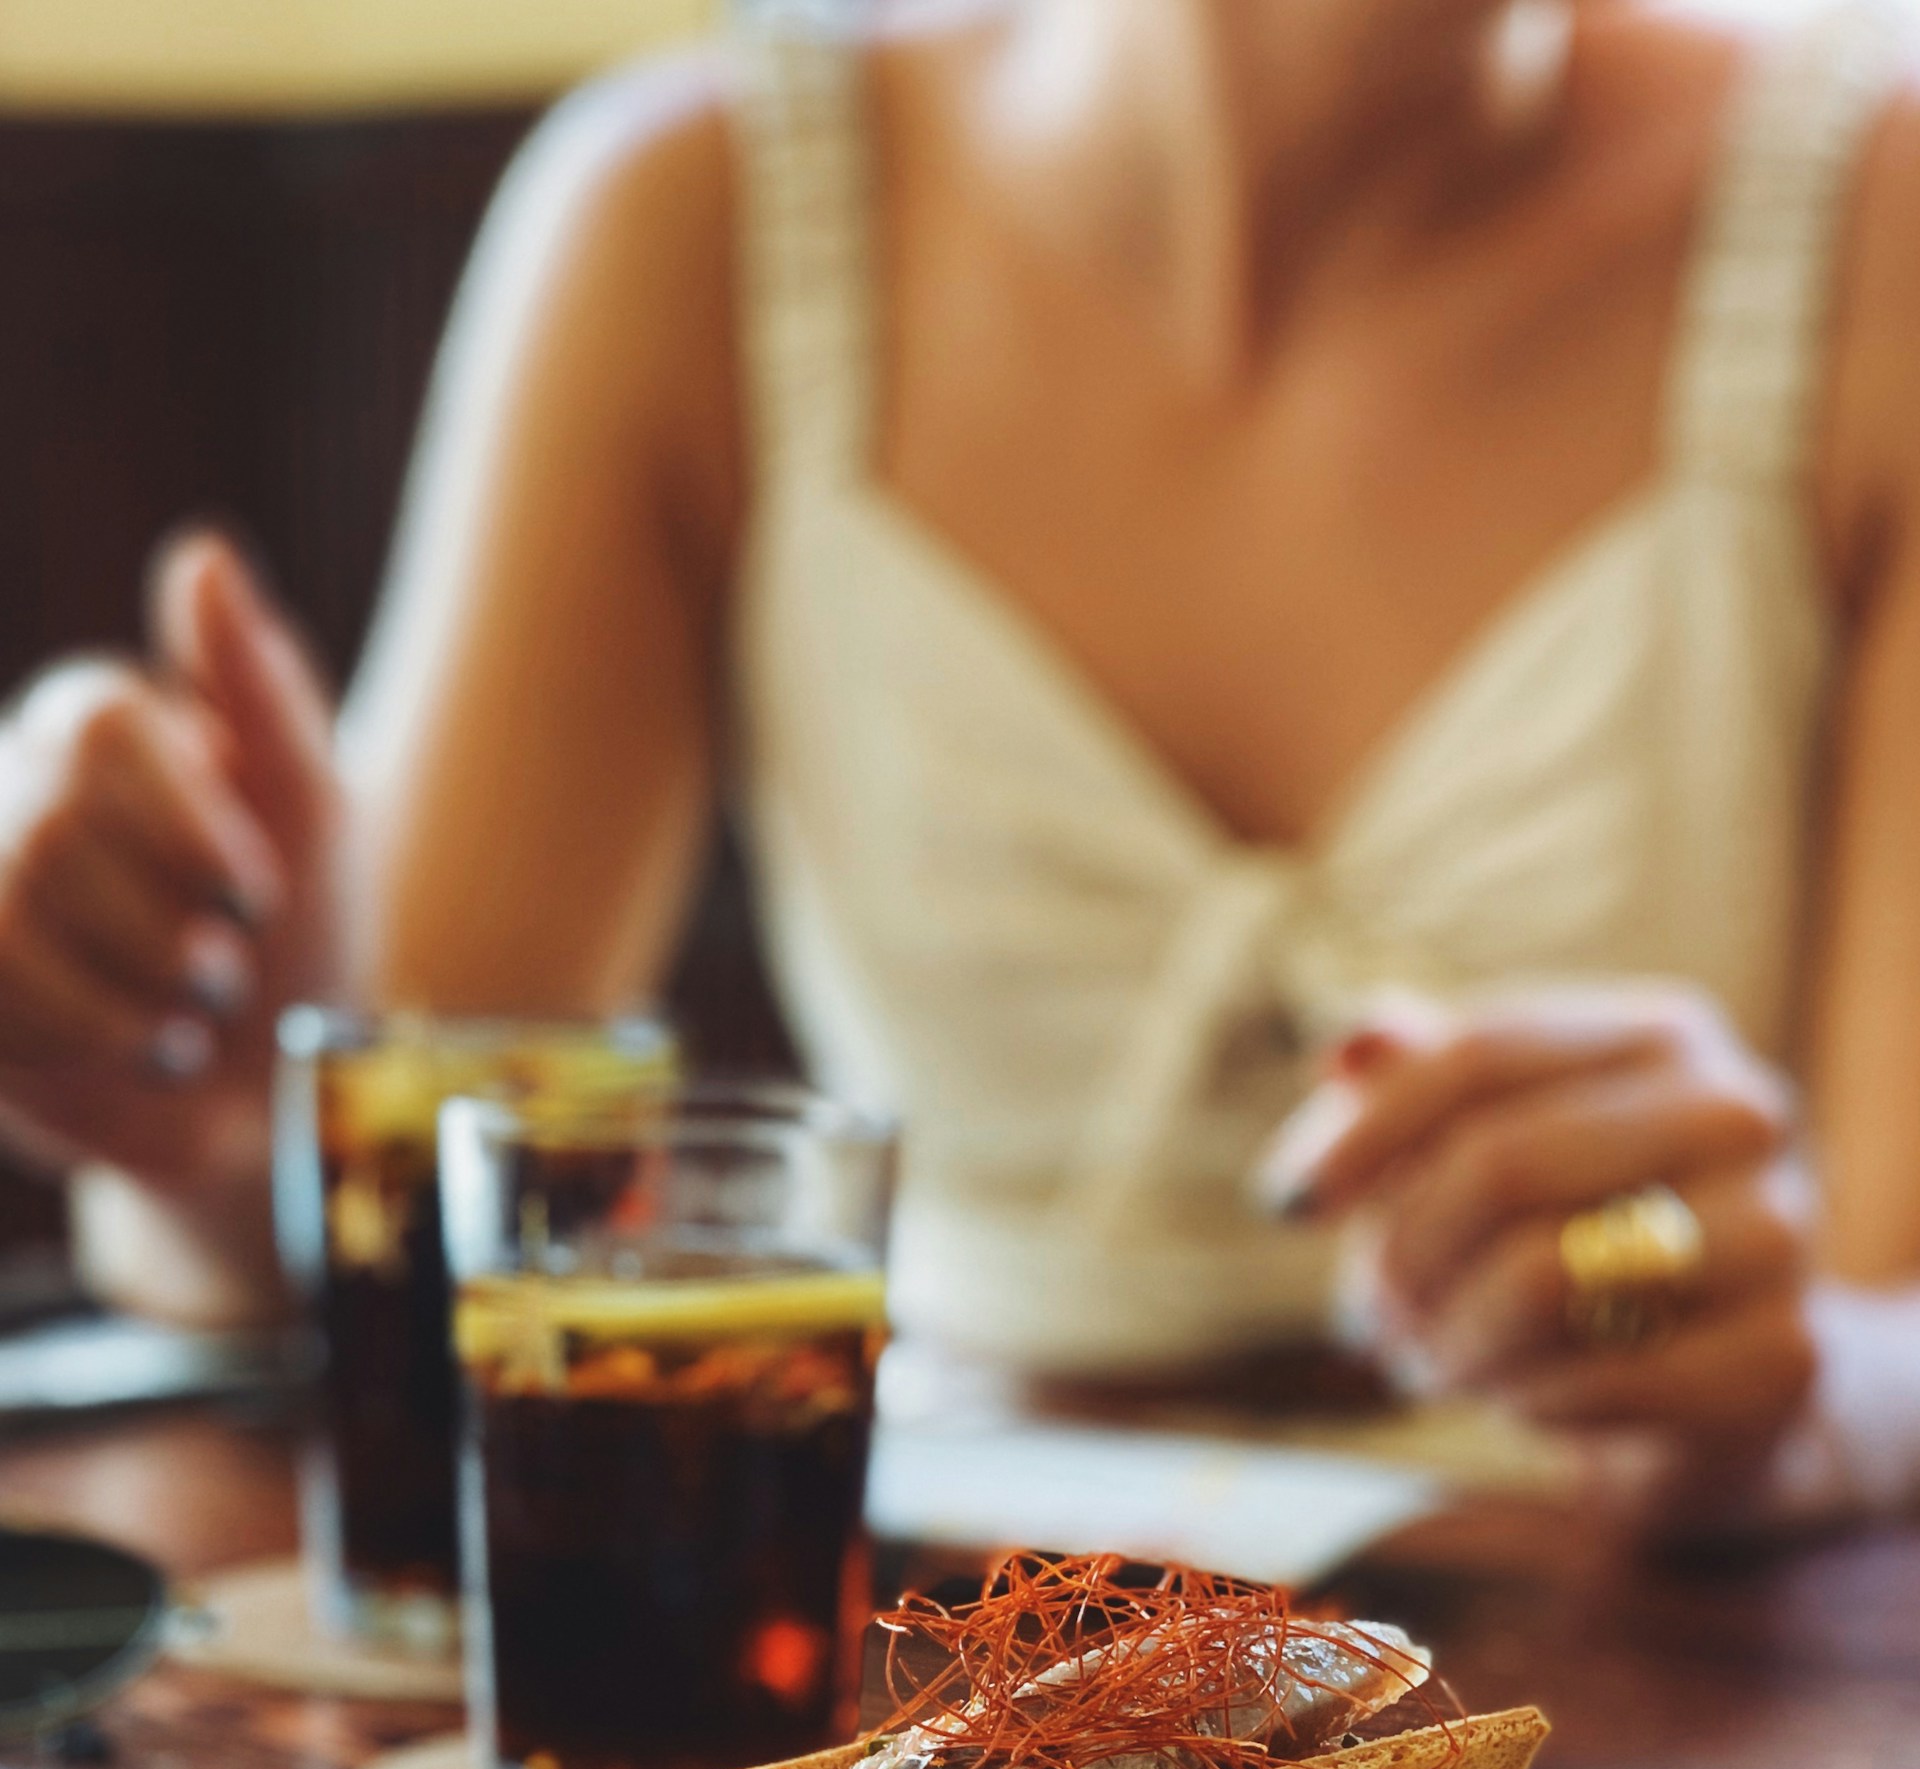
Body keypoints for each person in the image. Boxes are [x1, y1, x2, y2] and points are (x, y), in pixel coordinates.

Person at [1, 0, 1918, 1527]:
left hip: (1656, 1693)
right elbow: (386, 1276)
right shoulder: (698, 216)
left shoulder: (1873, 215)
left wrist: (1793, 1394)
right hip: (931, 1698)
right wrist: (187, 1096)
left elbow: (1889, 1331)